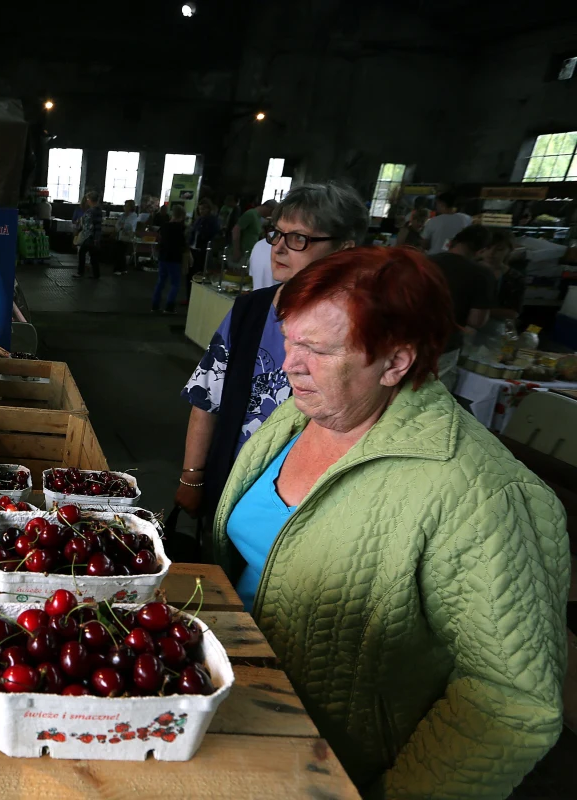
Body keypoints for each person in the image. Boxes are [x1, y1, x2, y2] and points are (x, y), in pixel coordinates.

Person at [214, 244, 568, 797]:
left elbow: (509, 702)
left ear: (397, 362)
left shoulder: (479, 493)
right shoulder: (301, 413)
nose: (289, 365)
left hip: (329, 765)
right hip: (231, 709)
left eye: (319, 349)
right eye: (289, 340)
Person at [177, 182, 369, 528]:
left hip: (310, 504)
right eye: (276, 234)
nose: (279, 249)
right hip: (232, 486)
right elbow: (206, 399)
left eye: (298, 239)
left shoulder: (364, 328)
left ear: (344, 248)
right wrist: (192, 476)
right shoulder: (249, 311)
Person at [429, 224, 500, 390]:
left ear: (453, 242)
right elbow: (476, 320)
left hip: (403, 341)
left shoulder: (421, 262)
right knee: (432, 403)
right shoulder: (481, 274)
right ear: (482, 250)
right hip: (444, 346)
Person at [151, 206, 188, 313]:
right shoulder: (182, 228)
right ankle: (169, 307)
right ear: (182, 216)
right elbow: (184, 244)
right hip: (175, 258)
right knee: (175, 283)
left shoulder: (164, 226)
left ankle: (155, 305)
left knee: (161, 281)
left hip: (163, 257)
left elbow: (159, 239)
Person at [231, 199, 275, 263]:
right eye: (271, 212)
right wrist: (236, 250)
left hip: (250, 254)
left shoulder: (259, 217)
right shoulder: (251, 214)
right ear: (268, 208)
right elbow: (236, 230)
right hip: (243, 254)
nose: (270, 215)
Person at [75, 190, 104, 280]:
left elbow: (87, 225)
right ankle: (96, 274)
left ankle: (80, 272)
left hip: (89, 236)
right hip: (95, 236)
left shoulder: (90, 212)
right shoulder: (99, 210)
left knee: (82, 253)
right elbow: (98, 225)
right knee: (94, 256)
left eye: (87, 199)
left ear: (90, 200)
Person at [114, 199, 140, 276]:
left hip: (127, 237)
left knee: (121, 253)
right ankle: (123, 268)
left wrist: (122, 225)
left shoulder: (134, 216)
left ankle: (118, 269)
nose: (124, 207)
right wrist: (121, 226)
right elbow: (117, 225)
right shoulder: (123, 215)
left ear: (131, 207)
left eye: (126, 205)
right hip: (120, 236)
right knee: (120, 252)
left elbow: (128, 226)